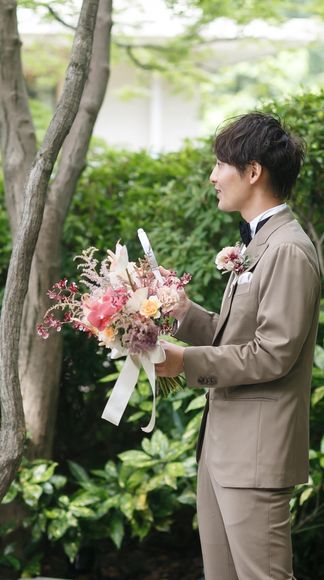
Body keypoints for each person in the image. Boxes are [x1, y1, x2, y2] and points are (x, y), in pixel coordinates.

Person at [155, 113, 321, 580]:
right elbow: (238, 339)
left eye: (220, 164)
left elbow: (273, 353)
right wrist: (182, 312)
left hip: (255, 455)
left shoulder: (287, 249)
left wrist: (184, 362)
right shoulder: (258, 245)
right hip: (223, 451)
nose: (212, 176)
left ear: (253, 172)